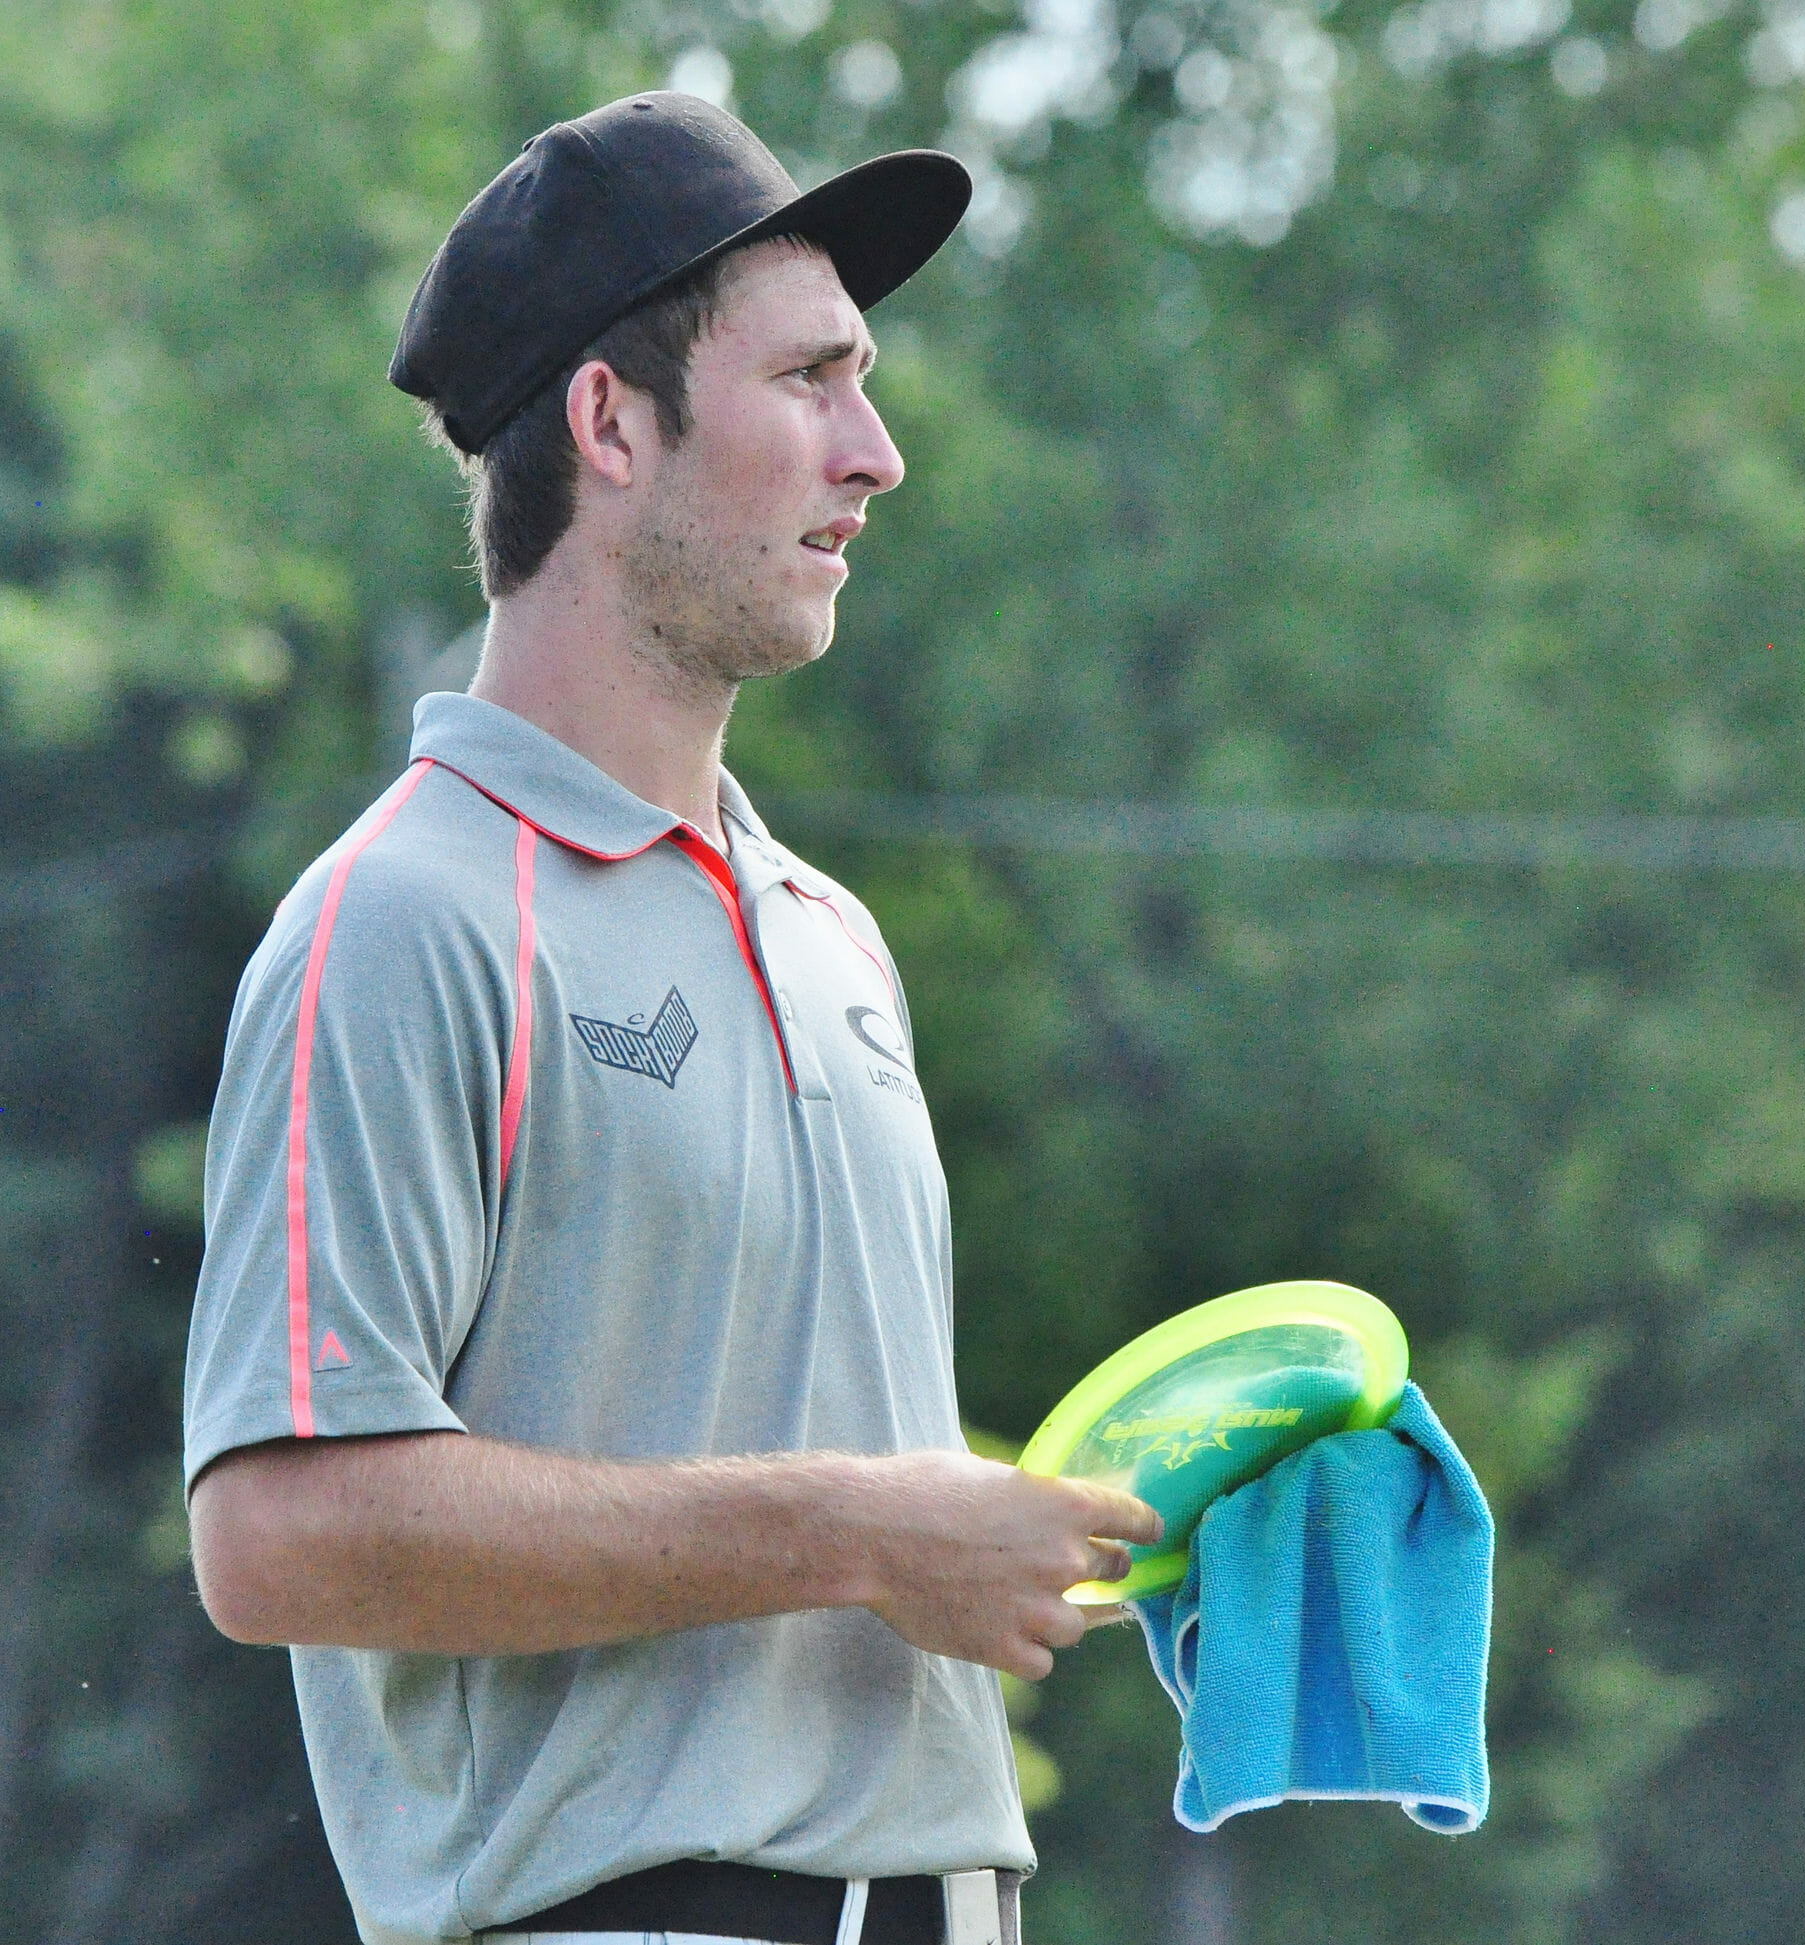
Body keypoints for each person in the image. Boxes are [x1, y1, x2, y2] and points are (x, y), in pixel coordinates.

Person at [181, 92, 1160, 1945]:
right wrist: (866, 1528)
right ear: (609, 421)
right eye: (810, 379)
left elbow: (833, 1484)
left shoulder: (834, 936)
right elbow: (275, 1534)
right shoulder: (395, 920)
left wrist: (1153, 1519)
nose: (874, 454)